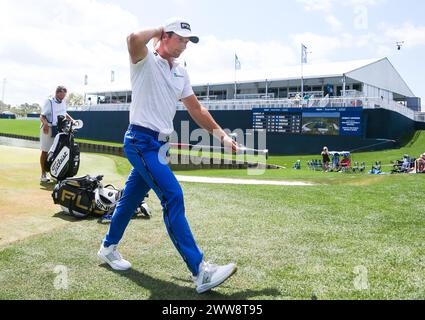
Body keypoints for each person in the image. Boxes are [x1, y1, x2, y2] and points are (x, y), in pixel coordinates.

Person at [97, 18, 238, 294]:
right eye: (181, 39)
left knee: (129, 201)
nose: (185, 45)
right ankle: (200, 271)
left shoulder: (181, 74)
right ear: (166, 36)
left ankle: (107, 247)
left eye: (188, 41)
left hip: (159, 146)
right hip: (140, 140)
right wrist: (158, 29)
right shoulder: (144, 60)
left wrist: (222, 135)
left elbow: (197, 110)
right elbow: (133, 39)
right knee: (173, 195)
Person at [39, 86, 73, 182]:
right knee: (45, 151)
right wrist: (45, 124)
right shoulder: (49, 101)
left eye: (65, 95)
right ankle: (43, 174)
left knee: (57, 151)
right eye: (62, 94)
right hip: (48, 128)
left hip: (59, 128)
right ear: (57, 93)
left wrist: (72, 120)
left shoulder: (63, 102)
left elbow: (64, 113)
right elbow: (42, 115)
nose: (63, 97)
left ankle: (55, 173)